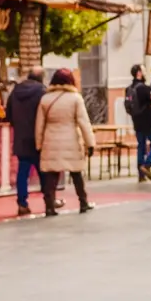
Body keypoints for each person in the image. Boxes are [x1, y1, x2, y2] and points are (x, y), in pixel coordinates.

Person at [34, 68, 95, 216]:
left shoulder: (45, 99)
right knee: (76, 173)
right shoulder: (75, 98)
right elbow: (83, 122)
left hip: (51, 140)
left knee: (51, 175)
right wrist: (90, 143)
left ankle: (49, 206)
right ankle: (83, 202)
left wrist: (39, 143)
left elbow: (39, 125)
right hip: (71, 140)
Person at [6, 66, 47, 216]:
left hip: (21, 137)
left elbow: (8, 114)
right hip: (37, 136)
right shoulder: (43, 91)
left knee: (22, 171)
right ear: (41, 78)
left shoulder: (15, 91)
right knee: (43, 170)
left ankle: (22, 203)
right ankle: (49, 199)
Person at [127, 63, 151, 181]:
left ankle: (141, 174)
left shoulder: (129, 88)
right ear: (139, 73)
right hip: (148, 121)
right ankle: (147, 163)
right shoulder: (144, 88)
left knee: (141, 145)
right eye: (143, 70)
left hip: (136, 121)